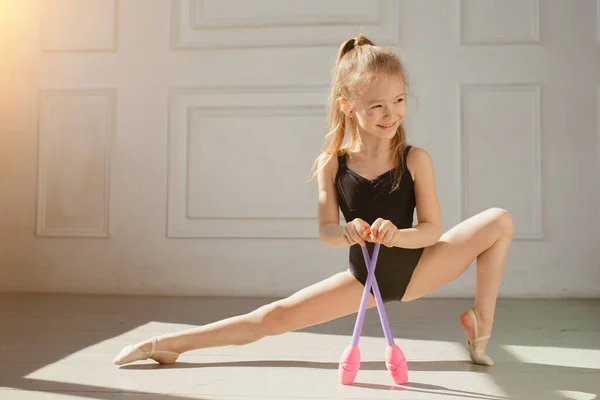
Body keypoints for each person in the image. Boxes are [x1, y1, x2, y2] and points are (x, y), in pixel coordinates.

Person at [113, 35, 514, 368]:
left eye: (399, 100)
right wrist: (347, 231)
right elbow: (326, 232)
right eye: (376, 105)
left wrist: (397, 235)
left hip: (421, 268)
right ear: (348, 105)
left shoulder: (415, 159)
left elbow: (431, 230)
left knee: (499, 220)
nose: (391, 114)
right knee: (272, 318)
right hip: (364, 280)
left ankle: (480, 321)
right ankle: (168, 344)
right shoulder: (331, 164)